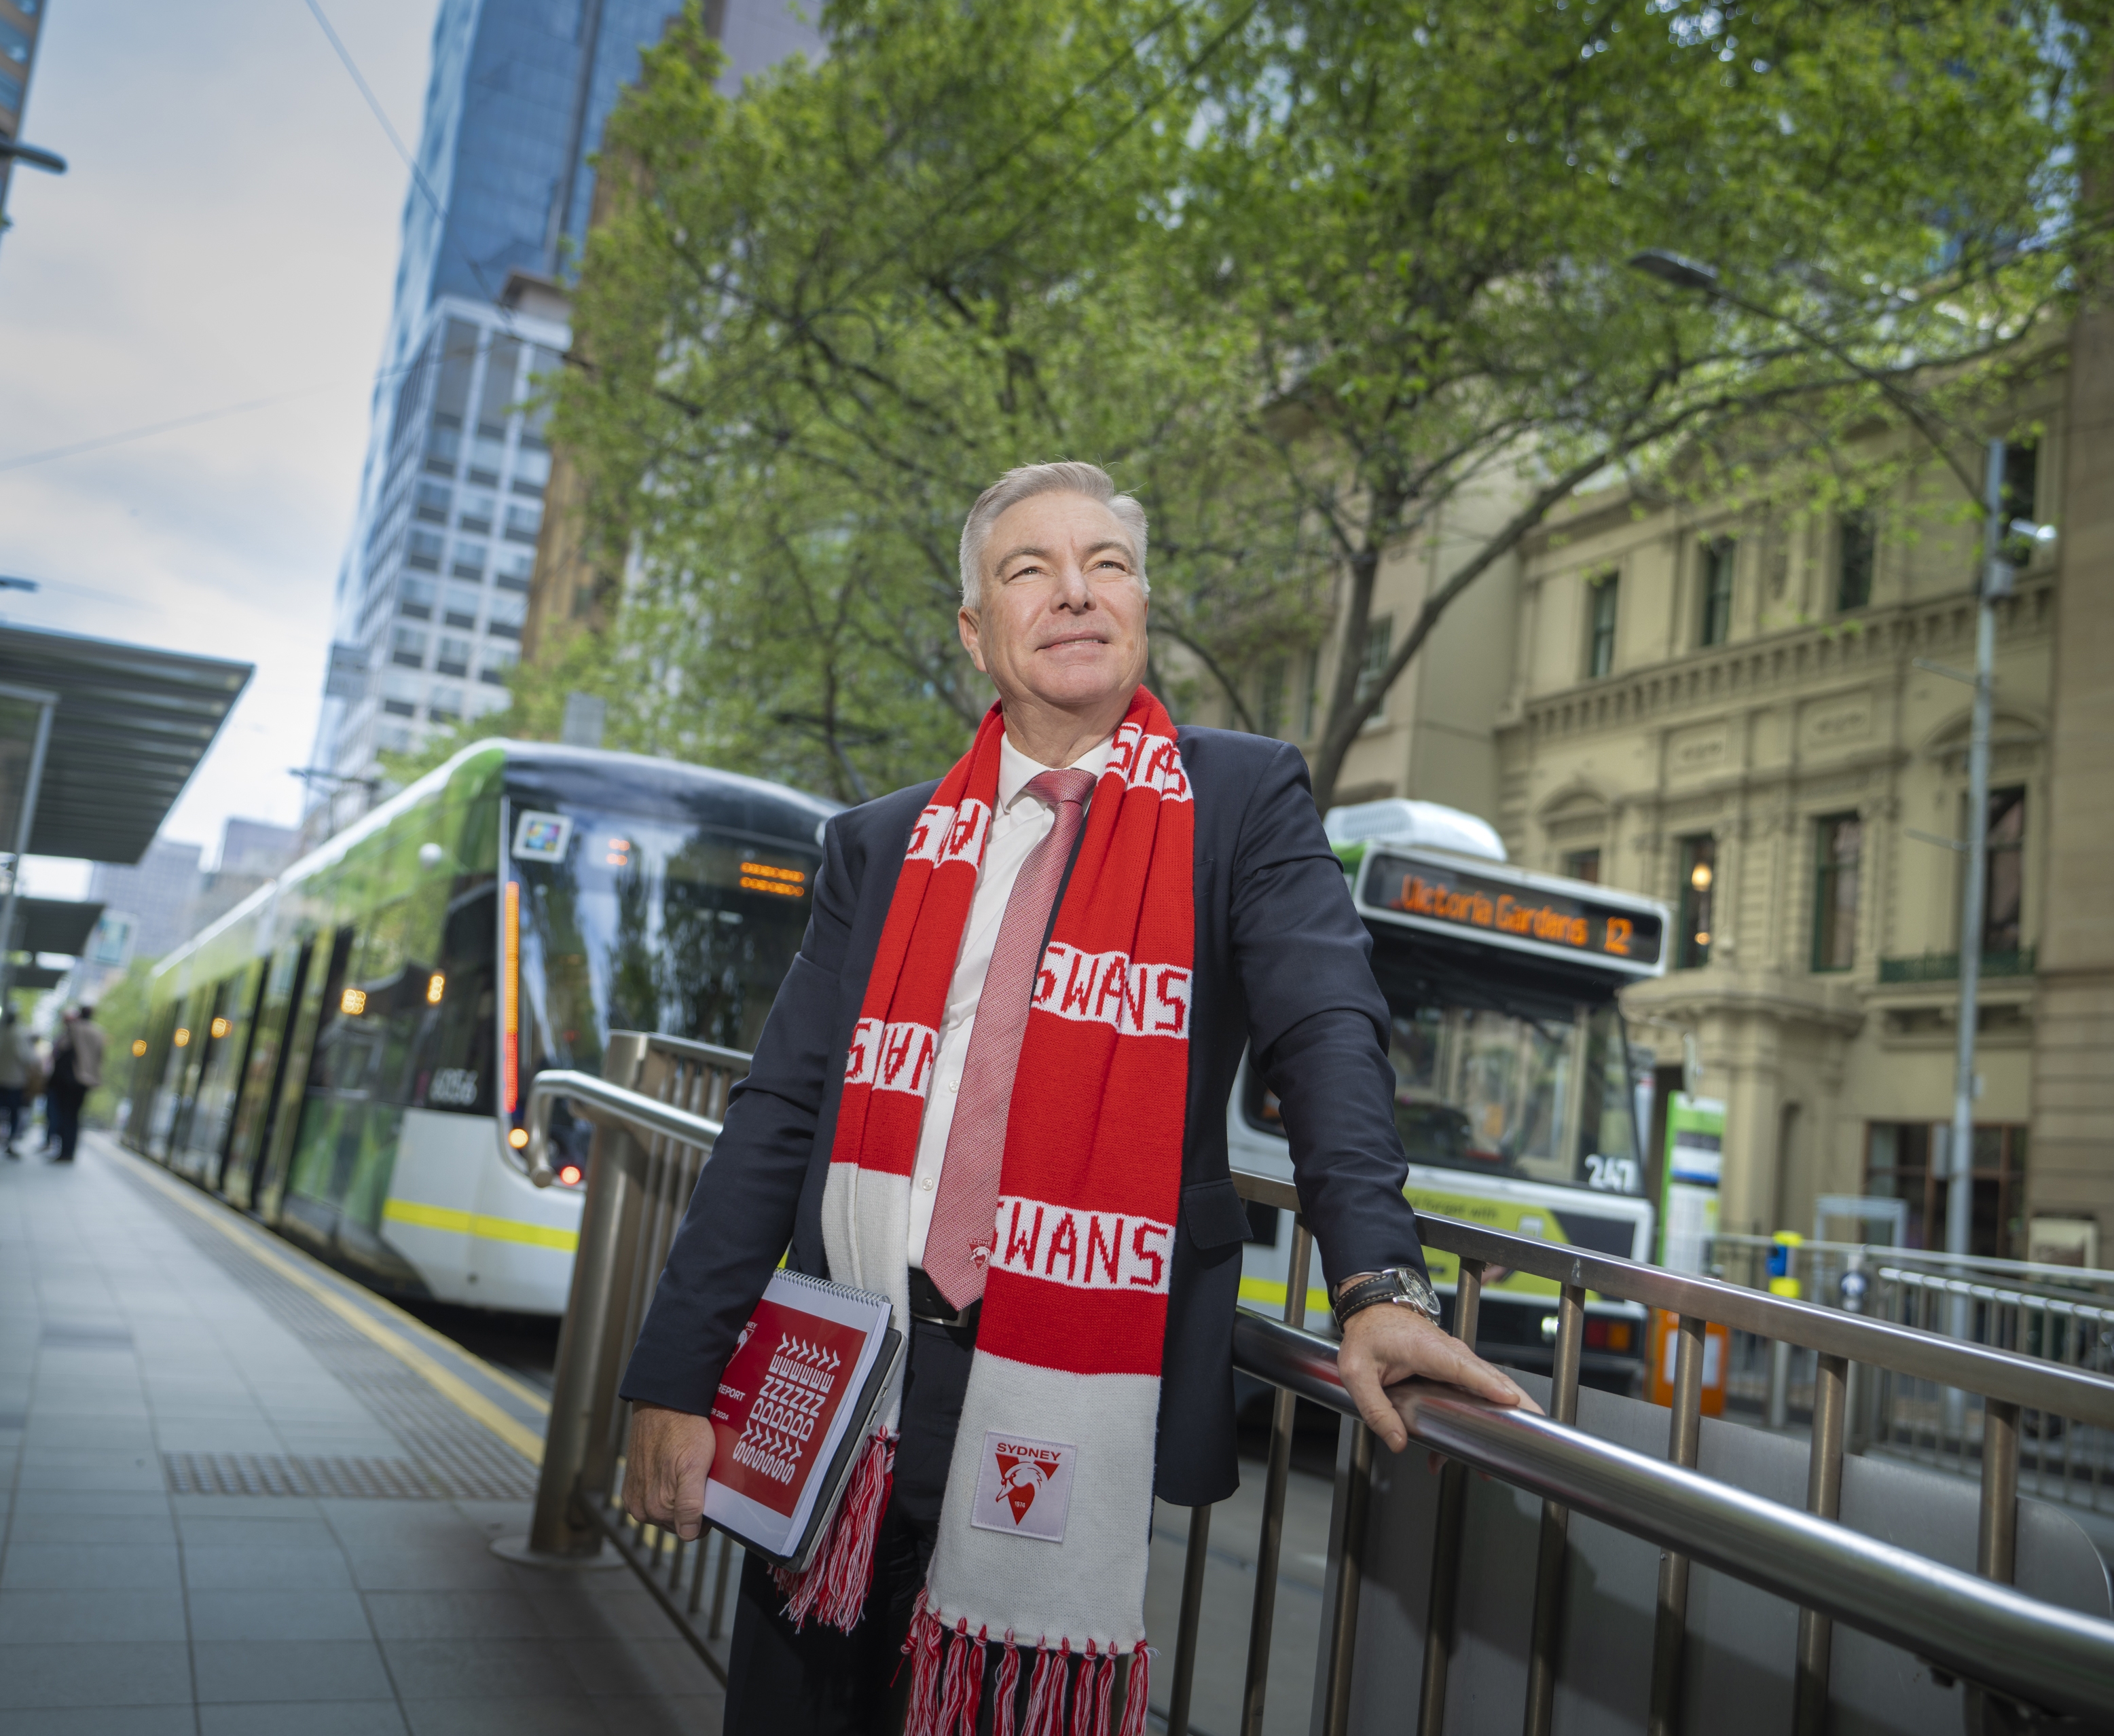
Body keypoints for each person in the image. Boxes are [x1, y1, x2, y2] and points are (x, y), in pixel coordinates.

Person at [615, 462, 1527, 1736]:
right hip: (849, 1367)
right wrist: (674, 1376)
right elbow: (779, 1111)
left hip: (1073, 1363)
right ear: (975, 631)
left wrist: (1377, 1285)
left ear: (1143, 603)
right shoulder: (878, 843)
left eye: (1106, 562)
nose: (1074, 592)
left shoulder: (1239, 800)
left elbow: (1328, 1033)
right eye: (1027, 569)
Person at [44, 1003, 104, 1163]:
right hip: (85, 1081)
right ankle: (69, 1151)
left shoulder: (74, 1028)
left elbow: (60, 1048)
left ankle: (65, 1151)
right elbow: (99, 1057)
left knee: (64, 1115)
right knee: (75, 1116)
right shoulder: (98, 1033)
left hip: (69, 1080)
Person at [0, 1007, 36, 1156]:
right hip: (14, 1081)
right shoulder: (19, 1035)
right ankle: (10, 1142)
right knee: (13, 1114)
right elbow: (27, 1058)